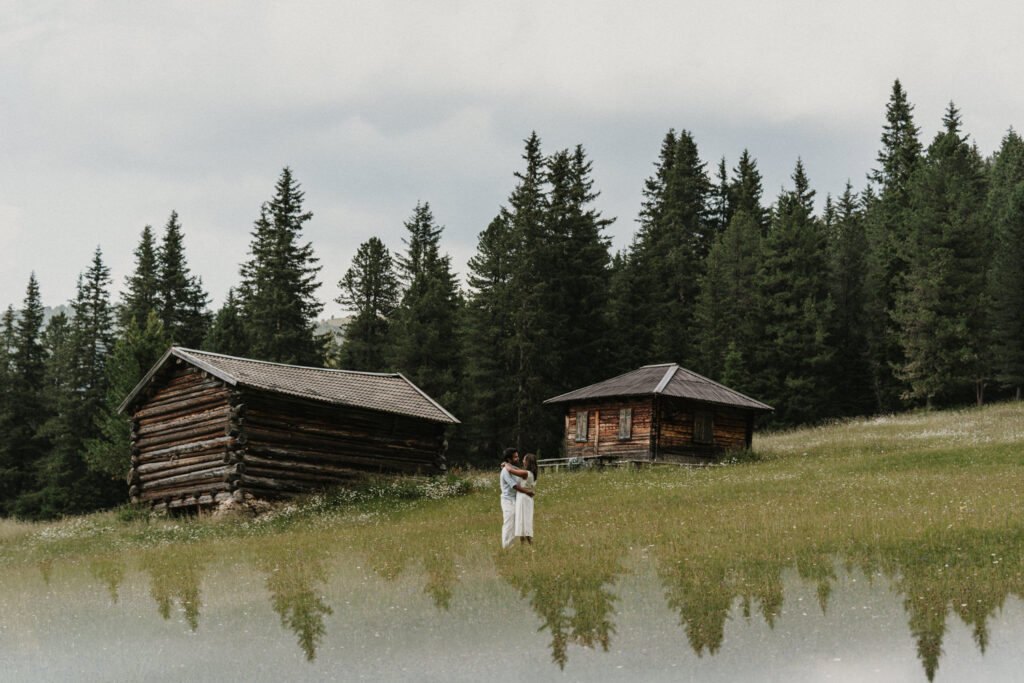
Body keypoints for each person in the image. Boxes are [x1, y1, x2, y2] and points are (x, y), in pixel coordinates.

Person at [499, 447, 534, 548]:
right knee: (509, 524)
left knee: (518, 523)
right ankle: (507, 547)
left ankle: (524, 544)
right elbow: (514, 486)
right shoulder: (506, 471)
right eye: (515, 457)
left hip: (516, 500)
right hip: (508, 501)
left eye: (518, 456)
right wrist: (528, 492)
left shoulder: (513, 468)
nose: (518, 458)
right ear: (509, 459)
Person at [513, 453, 537, 545]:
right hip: (526, 499)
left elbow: (512, 471)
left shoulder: (526, 473)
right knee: (524, 519)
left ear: (527, 462)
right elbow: (518, 470)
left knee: (523, 520)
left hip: (523, 498)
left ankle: (528, 541)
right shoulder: (531, 473)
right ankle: (525, 542)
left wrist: (506, 465)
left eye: (524, 459)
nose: (522, 461)